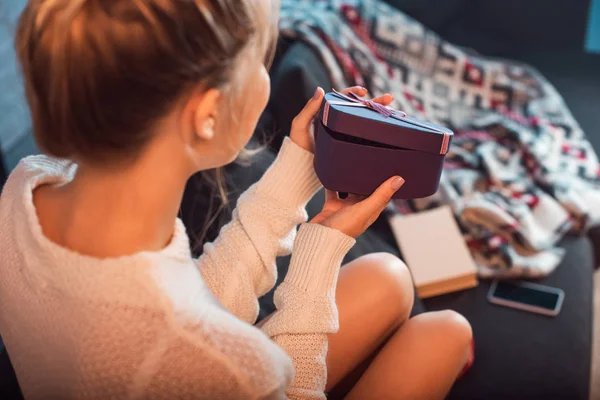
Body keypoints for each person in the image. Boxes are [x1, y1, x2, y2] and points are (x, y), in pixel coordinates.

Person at [0, 0, 473, 399]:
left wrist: (296, 172)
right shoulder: (228, 364)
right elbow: (260, 372)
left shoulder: (27, 185)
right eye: (261, 59)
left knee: (387, 277)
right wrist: (320, 255)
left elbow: (195, 295)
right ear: (208, 112)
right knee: (448, 335)